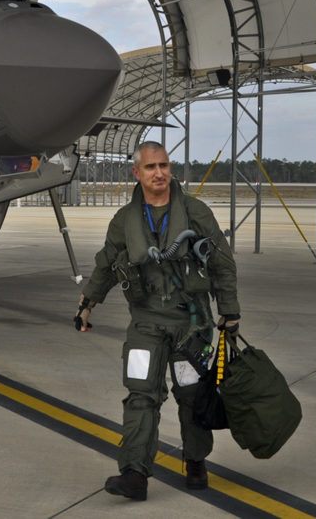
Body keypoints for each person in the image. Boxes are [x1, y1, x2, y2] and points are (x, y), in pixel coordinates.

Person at [75, 141, 240, 501]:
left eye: (164, 165)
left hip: (191, 325)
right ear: (137, 173)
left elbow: (222, 264)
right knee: (141, 397)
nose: (159, 173)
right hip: (146, 324)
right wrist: (88, 303)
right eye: (151, 167)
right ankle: (134, 474)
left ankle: (195, 461)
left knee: (193, 396)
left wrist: (229, 312)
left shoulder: (195, 213)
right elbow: (106, 264)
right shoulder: (125, 220)